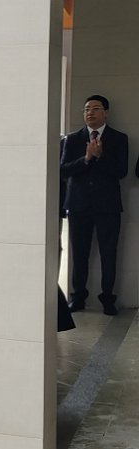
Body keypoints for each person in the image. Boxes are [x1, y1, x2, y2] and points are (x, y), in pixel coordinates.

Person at [62, 94, 129, 316]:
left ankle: (108, 299)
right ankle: (78, 297)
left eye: (95, 108)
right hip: (78, 205)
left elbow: (121, 171)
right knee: (79, 253)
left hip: (108, 207)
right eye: (86, 109)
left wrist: (100, 156)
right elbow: (63, 170)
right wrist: (86, 159)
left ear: (106, 112)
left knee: (109, 253)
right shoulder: (72, 139)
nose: (90, 112)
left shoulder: (119, 139)